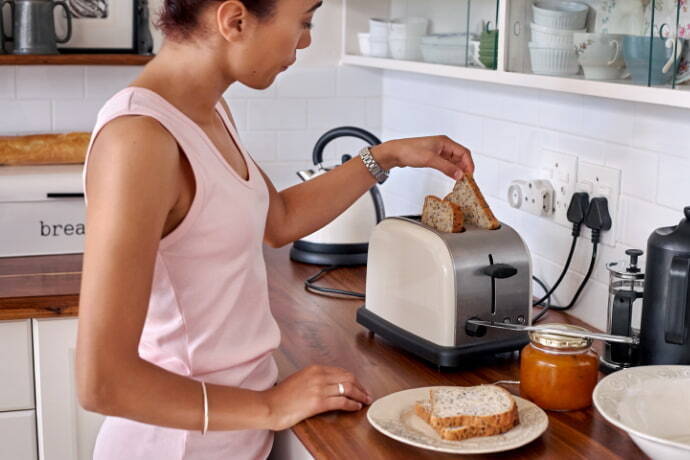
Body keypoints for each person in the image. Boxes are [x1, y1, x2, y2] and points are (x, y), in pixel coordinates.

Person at [75, 0, 475, 458]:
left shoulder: (208, 111)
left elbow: (279, 217)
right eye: (305, 20)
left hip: (229, 441)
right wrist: (269, 405)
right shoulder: (139, 139)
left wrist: (386, 156)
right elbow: (103, 381)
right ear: (235, 20)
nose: (305, 40)